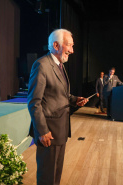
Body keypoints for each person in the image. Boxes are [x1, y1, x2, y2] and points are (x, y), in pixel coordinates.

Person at [27, 29, 88, 185]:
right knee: (47, 177)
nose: (72, 51)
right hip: (48, 133)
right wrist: (42, 131)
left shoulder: (60, 65)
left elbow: (59, 95)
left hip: (60, 130)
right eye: (69, 45)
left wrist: (75, 100)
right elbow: (34, 102)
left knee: (55, 175)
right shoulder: (41, 65)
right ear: (55, 45)